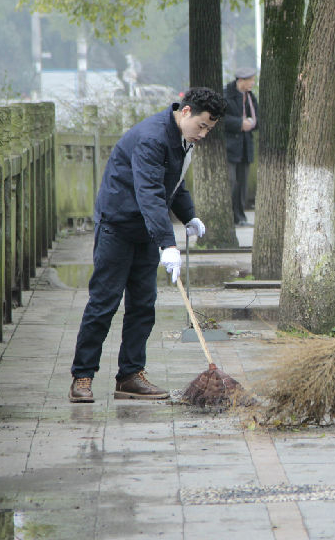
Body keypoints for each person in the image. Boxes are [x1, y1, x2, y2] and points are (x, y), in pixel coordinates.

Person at [69, 87, 227, 403]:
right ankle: (82, 378)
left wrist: (190, 217)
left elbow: (175, 183)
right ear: (186, 112)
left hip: (144, 231)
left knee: (143, 305)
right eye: (203, 126)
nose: (204, 134)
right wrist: (168, 244)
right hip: (118, 225)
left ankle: (130, 376)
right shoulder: (153, 138)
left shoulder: (183, 139)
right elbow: (150, 193)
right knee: (104, 303)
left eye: (210, 129)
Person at [224, 67, 259, 226]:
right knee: (231, 181)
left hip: (245, 147)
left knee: (242, 183)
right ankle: (229, 215)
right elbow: (220, 118)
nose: (252, 83)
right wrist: (239, 123)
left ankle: (240, 216)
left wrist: (252, 123)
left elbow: (257, 116)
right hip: (230, 147)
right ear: (240, 81)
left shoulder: (250, 97)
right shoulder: (226, 95)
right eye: (250, 80)